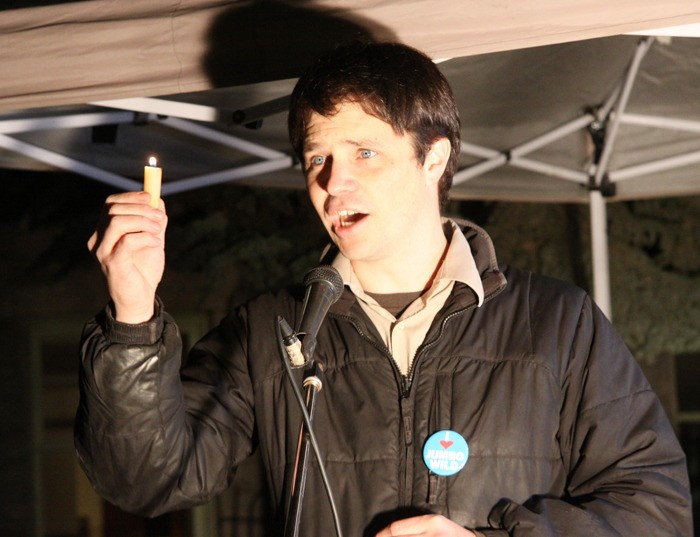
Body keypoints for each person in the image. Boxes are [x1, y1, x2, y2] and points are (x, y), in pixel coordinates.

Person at [75, 42, 693, 536]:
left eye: (364, 152)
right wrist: (132, 317)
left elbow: (658, 510)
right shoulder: (272, 330)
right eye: (317, 159)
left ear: (433, 158)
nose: (333, 181)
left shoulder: (559, 321)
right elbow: (145, 482)